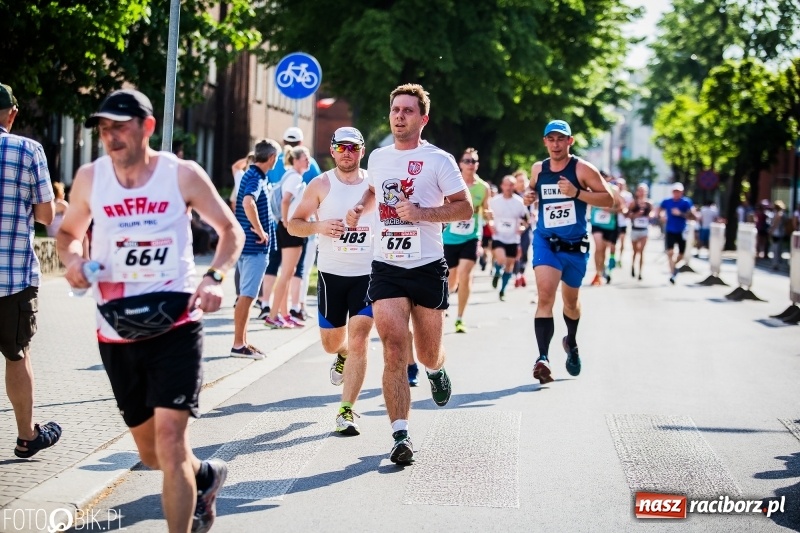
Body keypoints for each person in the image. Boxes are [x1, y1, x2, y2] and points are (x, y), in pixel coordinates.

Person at [56, 89, 245, 533]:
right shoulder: (90, 178)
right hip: (115, 327)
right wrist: (74, 262)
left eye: (119, 127)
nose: (110, 136)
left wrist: (214, 277)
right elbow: (67, 235)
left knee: (170, 440)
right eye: (104, 129)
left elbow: (228, 231)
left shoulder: (181, 175)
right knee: (150, 454)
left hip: (176, 324)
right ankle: (204, 476)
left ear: (147, 127)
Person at [345, 83, 472, 464]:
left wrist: (422, 214)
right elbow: (373, 190)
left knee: (427, 352)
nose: (399, 116)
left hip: (428, 265)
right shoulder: (381, 157)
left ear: (423, 118)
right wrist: (358, 208)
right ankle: (400, 435)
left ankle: (437, 370)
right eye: (395, 109)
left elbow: (464, 209)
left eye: (408, 111)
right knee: (395, 348)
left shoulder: (440, 160)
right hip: (387, 266)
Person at [288, 127, 374, 435]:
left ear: (361, 151)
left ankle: (346, 410)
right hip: (331, 274)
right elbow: (293, 224)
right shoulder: (321, 183)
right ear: (333, 149)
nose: (347, 153)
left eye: (353, 148)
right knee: (332, 344)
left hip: (367, 275)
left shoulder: (374, 185)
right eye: (342, 147)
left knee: (361, 338)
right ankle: (341, 355)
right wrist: (320, 226)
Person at [523, 120, 614, 384]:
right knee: (545, 296)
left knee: (571, 303)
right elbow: (531, 188)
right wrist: (530, 196)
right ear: (545, 142)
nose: (555, 144)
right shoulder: (539, 169)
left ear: (569, 141)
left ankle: (571, 343)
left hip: (575, 246)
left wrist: (577, 193)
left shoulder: (582, 169)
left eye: (560, 139)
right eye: (550, 139)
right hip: (546, 242)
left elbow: (608, 199)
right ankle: (542, 358)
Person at [0, 82, 62, 460]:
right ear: (12, 114)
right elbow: (45, 216)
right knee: (16, 354)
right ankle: (27, 436)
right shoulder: (27, 150)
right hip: (12, 278)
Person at [231, 139, 281, 358]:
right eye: (276, 158)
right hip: (254, 247)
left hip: (246, 245)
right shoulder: (256, 178)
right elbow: (248, 202)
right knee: (248, 296)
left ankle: (242, 342)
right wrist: (260, 231)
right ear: (271, 158)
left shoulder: (249, 174)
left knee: (246, 295)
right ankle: (238, 345)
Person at [442, 147, 490, 332]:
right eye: (467, 161)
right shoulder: (452, 184)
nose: (471, 164)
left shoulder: (483, 188)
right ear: (460, 164)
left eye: (474, 161)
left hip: (471, 237)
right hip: (449, 238)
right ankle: (445, 304)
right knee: (451, 280)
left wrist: (488, 214)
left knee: (465, 274)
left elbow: (486, 211)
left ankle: (460, 318)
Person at [265, 146, 309, 328]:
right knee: (286, 274)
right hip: (290, 228)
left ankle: (283, 314)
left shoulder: (290, 176)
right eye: (305, 158)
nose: (308, 161)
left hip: (288, 227)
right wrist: (285, 221)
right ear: (296, 160)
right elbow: (285, 200)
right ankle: (273, 316)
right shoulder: (295, 178)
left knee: (288, 273)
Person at [489, 176, 529, 301]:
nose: (509, 188)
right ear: (502, 186)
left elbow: (526, 220)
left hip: (513, 238)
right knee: (500, 259)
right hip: (498, 236)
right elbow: (487, 215)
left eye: (511, 185)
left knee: (509, 266)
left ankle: (503, 290)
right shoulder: (494, 201)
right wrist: (490, 224)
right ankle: (496, 273)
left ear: (515, 187)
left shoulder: (519, 202)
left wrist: (522, 228)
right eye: (506, 185)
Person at [655, 182, 696, 284]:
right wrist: (661, 217)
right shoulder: (667, 201)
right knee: (670, 252)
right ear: (672, 192)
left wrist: (681, 213)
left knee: (681, 255)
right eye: (675, 191)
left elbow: (693, 216)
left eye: (678, 191)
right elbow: (658, 210)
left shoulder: (686, 202)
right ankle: (673, 274)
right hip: (670, 230)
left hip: (682, 231)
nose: (676, 193)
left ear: (682, 192)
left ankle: (674, 266)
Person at [588, 171, 621, 285]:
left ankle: (604, 268)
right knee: (598, 247)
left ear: (609, 178)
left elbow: (621, 207)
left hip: (610, 224)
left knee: (605, 250)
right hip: (596, 223)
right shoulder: (592, 189)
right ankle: (598, 273)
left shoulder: (614, 190)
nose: (602, 179)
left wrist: (610, 210)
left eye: (604, 177)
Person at [513, 169, 534, 287]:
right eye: (519, 181)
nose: (522, 183)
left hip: (528, 227)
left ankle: (521, 272)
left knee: (525, 249)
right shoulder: (512, 195)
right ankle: (516, 274)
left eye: (524, 180)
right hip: (514, 228)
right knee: (515, 250)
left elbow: (535, 209)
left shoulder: (531, 194)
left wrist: (533, 215)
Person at [627, 183, 653, 280]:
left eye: (644, 191)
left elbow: (652, 213)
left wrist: (650, 215)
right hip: (635, 230)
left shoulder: (649, 203)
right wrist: (636, 214)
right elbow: (628, 215)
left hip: (644, 230)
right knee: (635, 251)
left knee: (642, 251)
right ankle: (633, 266)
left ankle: (640, 272)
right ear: (637, 192)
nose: (642, 193)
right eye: (640, 190)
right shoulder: (633, 203)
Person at [614, 178, 632, 268]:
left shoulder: (628, 195)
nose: (619, 186)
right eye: (618, 184)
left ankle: (620, 259)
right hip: (613, 221)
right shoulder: (613, 193)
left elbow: (628, 208)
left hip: (623, 222)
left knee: (622, 241)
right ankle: (612, 258)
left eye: (621, 184)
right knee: (613, 243)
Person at [769, 200, 788, 269]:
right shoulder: (783, 214)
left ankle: (775, 263)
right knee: (779, 249)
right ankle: (778, 263)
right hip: (781, 233)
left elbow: (775, 224)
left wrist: (771, 231)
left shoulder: (778, 214)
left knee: (775, 249)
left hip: (776, 233)